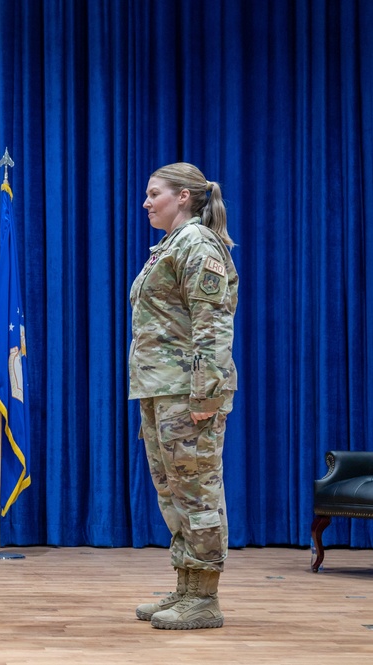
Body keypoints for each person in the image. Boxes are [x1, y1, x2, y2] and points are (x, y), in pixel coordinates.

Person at [129, 162, 238, 630]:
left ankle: (206, 597)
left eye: (156, 194)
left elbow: (212, 326)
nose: (147, 202)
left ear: (184, 197)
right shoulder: (168, 247)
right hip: (160, 390)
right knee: (173, 491)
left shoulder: (196, 243)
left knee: (197, 491)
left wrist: (205, 397)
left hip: (187, 393)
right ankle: (187, 585)